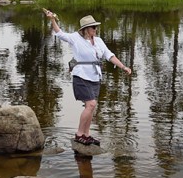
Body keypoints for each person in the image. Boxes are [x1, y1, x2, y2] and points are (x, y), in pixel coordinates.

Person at [44, 10, 132, 146]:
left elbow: (110, 55)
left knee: (90, 107)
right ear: (85, 29)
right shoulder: (75, 38)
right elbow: (60, 33)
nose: (95, 29)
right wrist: (52, 20)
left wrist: (123, 67)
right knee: (91, 104)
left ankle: (87, 134)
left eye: (96, 27)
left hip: (95, 76)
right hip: (81, 75)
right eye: (93, 27)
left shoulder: (98, 41)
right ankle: (79, 134)